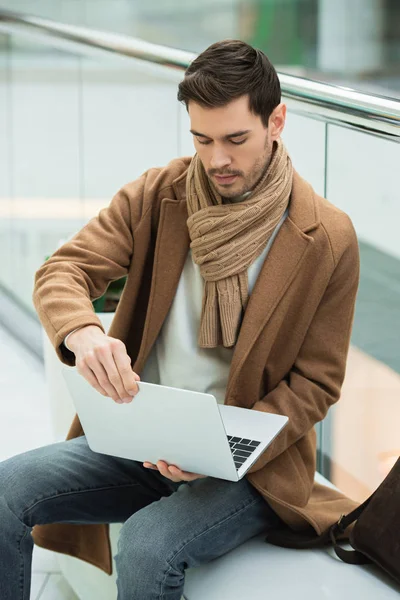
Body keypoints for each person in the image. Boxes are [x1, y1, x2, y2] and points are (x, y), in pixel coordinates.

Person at [0, 40, 360, 600]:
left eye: (236, 139)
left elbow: (317, 383)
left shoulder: (327, 238)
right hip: (144, 439)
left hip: (247, 466)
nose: (217, 159)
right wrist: (84, 332)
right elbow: (63, 270)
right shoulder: (159, 193)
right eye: (201, 139)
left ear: (277, 121)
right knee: (5, 489)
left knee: (146, 543)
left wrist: (226, 447)